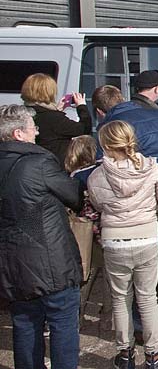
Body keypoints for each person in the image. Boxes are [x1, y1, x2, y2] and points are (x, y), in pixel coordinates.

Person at [94, 81, 158, 337]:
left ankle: (139, 326)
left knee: (140, 267)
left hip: (150, 204)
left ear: (99, 112)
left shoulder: (112, 128)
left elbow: (107, 168)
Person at [88, 121, 158, 369]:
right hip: (147, 239)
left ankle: (125, 354)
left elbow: (97, 205)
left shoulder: (96, 176)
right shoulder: (154, 169)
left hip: (115, 242)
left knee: (120, 299)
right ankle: (154, 357)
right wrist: (153, 224)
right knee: (148, 299)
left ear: (105, 145)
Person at [0, 104, 83, 369]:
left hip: (12, 263)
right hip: (51, 261)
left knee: (24, 323)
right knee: (62, 324)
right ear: (18, 134)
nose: (36, 132)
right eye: (31, 128)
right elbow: (73, 196)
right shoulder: (40, 161)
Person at [20, 73, 92, 166]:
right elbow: (84, 129)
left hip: (28, 163)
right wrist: (82, 106)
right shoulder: (53, 118)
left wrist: (56, 110)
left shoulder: (21, 113)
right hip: (53, 165)